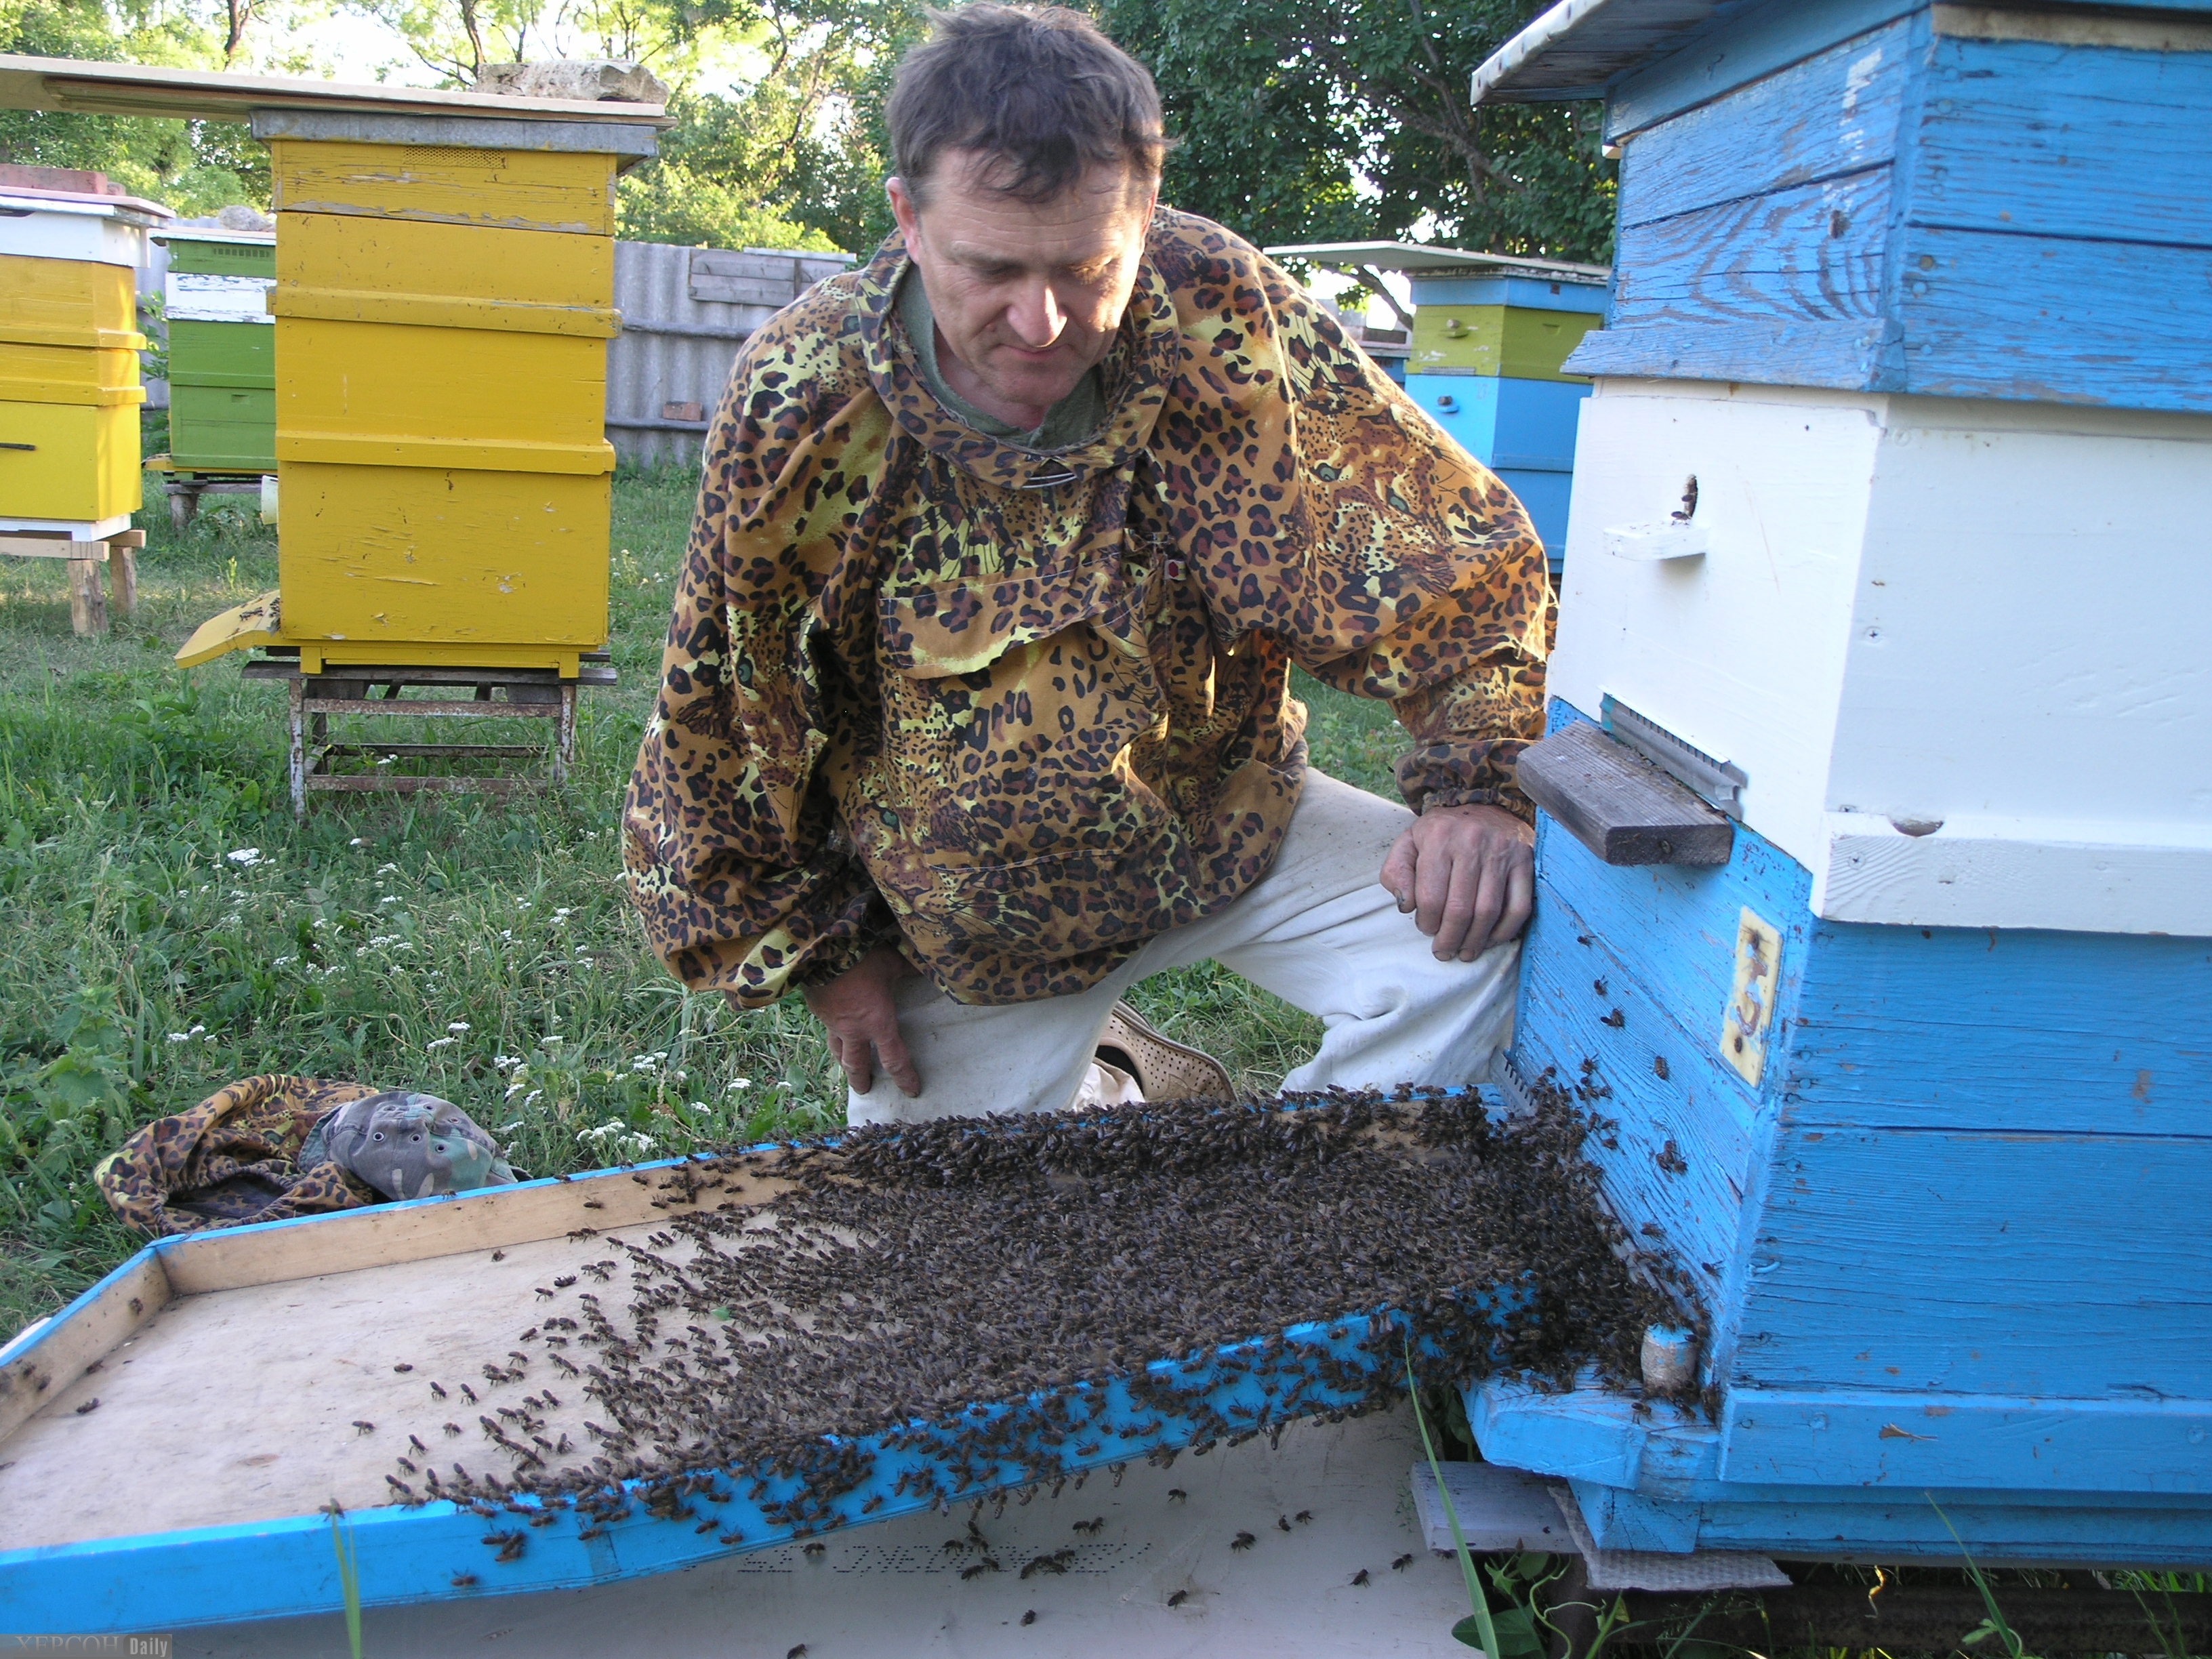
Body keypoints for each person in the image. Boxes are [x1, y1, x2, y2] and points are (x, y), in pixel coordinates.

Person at [623, 3, 1551, 1123]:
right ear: (909, 221)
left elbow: (1440, 551)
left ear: (1145, 215)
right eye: (993, 269)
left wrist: (1476, 790)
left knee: (1481, 949)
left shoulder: (1227, 312)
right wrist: (823, 955)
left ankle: (1272, 1217)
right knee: (937, 1247)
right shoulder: (803, 398)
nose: (1042, 320)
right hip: (969, 926)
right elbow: (720, 712)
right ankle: (1109, 1090)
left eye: (1085, 268)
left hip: (1228, 818)